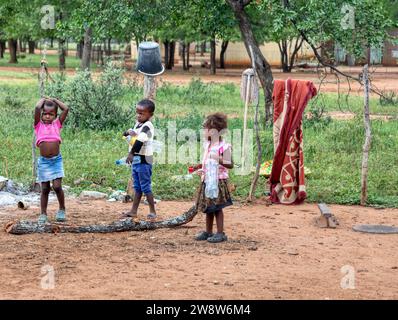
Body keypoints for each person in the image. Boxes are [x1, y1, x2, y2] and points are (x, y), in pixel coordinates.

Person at [194, 113, 233, 243]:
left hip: (218, 181)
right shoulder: (207, 145)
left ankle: (220, 233)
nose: (204, 131)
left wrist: (218, 158)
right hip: (207, 179)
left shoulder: (224, 146)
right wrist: (200, 167)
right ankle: (208, 231)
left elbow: (230, 164)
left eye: (206, 129)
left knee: (217, 208)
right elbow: (207, 160)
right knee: (208, 207)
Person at [120, 99, 157, 220]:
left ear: (150, 115)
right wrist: (127, 132)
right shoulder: (138, 124)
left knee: (145, 186)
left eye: (142, 113)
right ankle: (133, 211)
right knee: (137, 187)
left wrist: (131, 154)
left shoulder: (148, 126)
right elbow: (132, 134)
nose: (138, 115)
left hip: (144, 160)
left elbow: (139, 141)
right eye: (137, 112)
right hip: (137, 159)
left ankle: (152, 211)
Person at [34, 97, 69, 224]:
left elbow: (65, 109)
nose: (47, 116)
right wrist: (43, 100)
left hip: (56, 161)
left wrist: (55, 100)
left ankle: (62, 209)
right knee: (44, 189)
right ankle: (43, 213)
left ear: (55, 116)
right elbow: (37, 108)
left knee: (57, 186)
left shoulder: (57, 124)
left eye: (51, 114)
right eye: (45, 114)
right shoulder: (38, 125)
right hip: (44, 162)